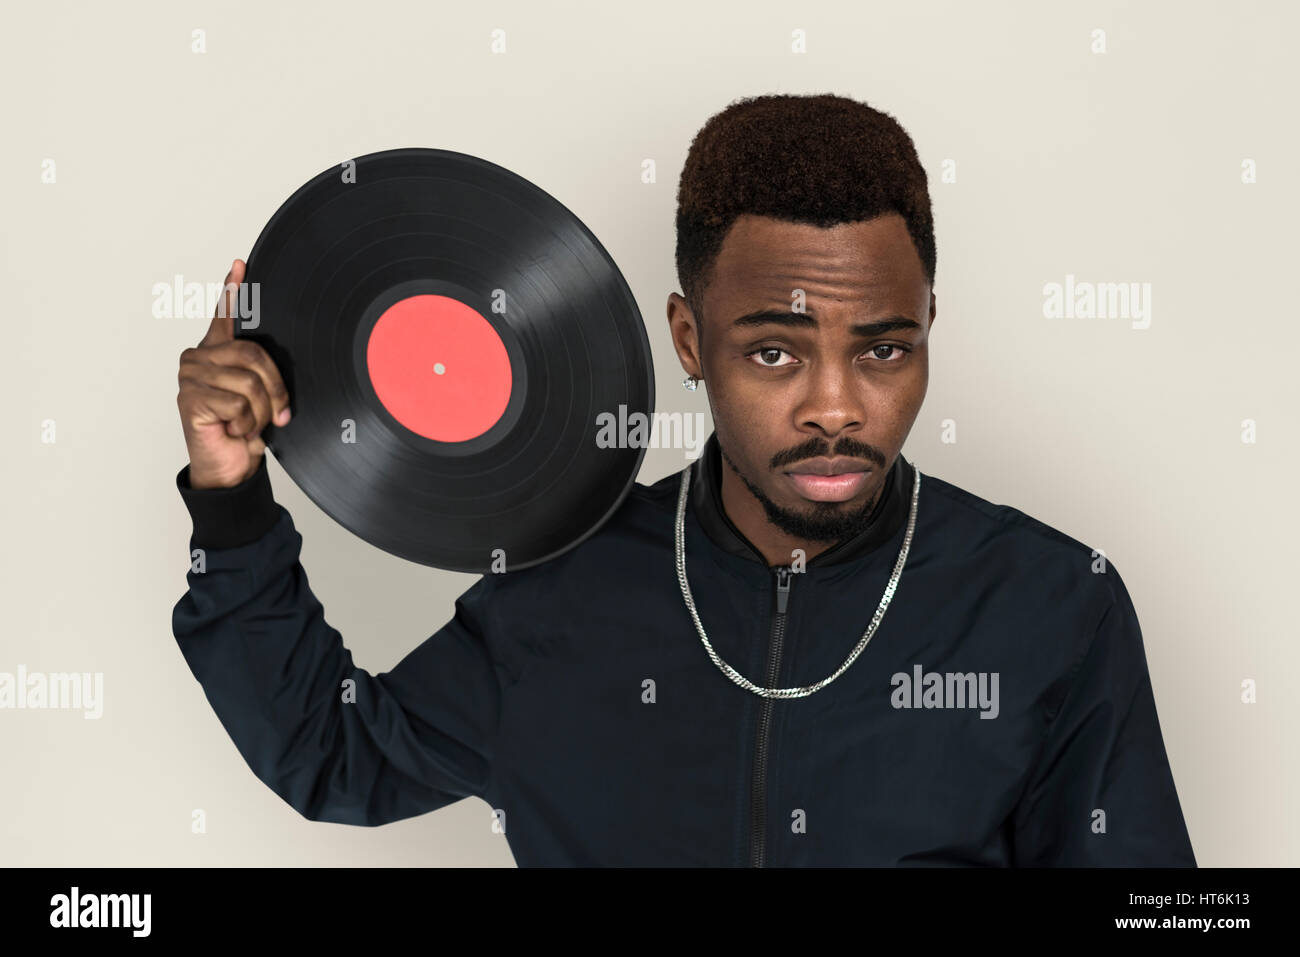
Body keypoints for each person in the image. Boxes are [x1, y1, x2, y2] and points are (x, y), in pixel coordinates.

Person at [172, 93, 1195, 866]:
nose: (835, 407)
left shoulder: (1050, 605)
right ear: (690, 339)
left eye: (882, 351)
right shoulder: (560, 592)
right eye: (775, 354)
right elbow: (333, 754)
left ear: (928, 332)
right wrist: (229, 501)